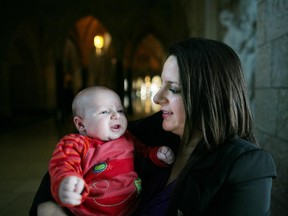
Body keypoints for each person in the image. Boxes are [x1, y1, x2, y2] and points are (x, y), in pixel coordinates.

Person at [30, 37, 276, 216]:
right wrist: (51, 207)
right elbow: (75, 151)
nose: (157, 98)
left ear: (209, 95)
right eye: (162, 84)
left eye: (174, 89)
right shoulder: (157, 129)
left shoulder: (246, 166)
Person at [47, 86, 174, 216]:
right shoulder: (76, 143)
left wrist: (157, 155)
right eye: (104, 112)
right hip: (88, 212)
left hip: (131, 210)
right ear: (80, 124)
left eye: (120, 110)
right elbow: (62, 165)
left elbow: (144, 152)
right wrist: (66, 182)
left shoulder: (128, 138)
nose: (116, 116)